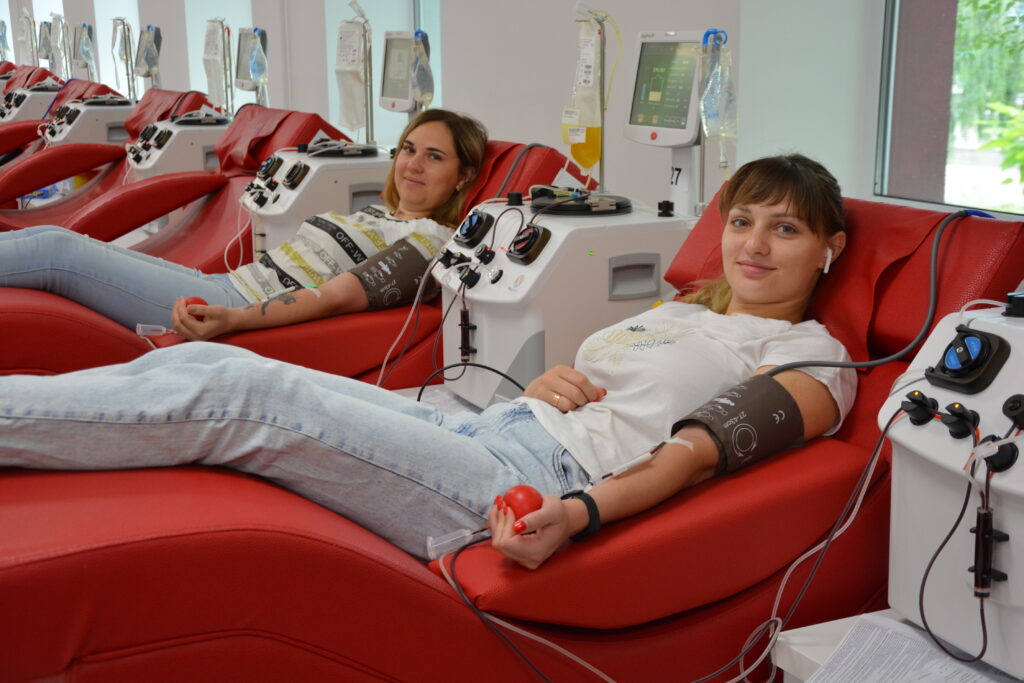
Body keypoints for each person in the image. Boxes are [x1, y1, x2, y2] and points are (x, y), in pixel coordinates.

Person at [0, 154, 855, 569]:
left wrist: (580, 513)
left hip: (529, 481)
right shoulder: (682, 309)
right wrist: (550, 379)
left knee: (240, 394)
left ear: (830, 248)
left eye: (785, 229)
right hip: (495, 426)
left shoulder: (814, 359)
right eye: (743, 221)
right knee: (208, 373)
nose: (754, 244)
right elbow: (623, 396)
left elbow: (692, 454)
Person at [0, 109, 488, 340]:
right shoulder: (377, 215)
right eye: (408, 150)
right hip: (223, 283)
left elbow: (338, 296)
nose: (413, 165)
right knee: (56, 239)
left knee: (58, 255)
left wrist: (234, 319)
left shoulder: (430, 241)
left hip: (231, 305)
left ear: (463, 176)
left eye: (434, 157)